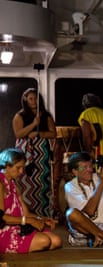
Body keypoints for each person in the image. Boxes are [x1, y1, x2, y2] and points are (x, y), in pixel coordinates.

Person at [0, 148, 62, 253]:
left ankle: (25, 246)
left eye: (22, 167)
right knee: (44, 241)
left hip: (17, 226)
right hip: (3, 231)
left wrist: (41, 219)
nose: (21, 171)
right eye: (18, 167)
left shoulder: (14, 185)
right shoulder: (0, 184)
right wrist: (29, 221)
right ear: (6, 166)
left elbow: (26, 213)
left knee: (56, 241)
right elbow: (1, 217)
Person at [12, 88, 57, 218]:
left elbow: (53, 133)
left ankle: (43, 214)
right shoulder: (19, 116)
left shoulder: (46, 115)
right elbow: (18, 134)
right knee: (24, 181)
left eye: (36, 98)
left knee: (43, 184)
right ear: (25, 100)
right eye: (30, 98)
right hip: (24, 152)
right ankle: (25, 214)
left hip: (41, 153)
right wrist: (33, 124)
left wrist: (39, 133)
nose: (33, 101)